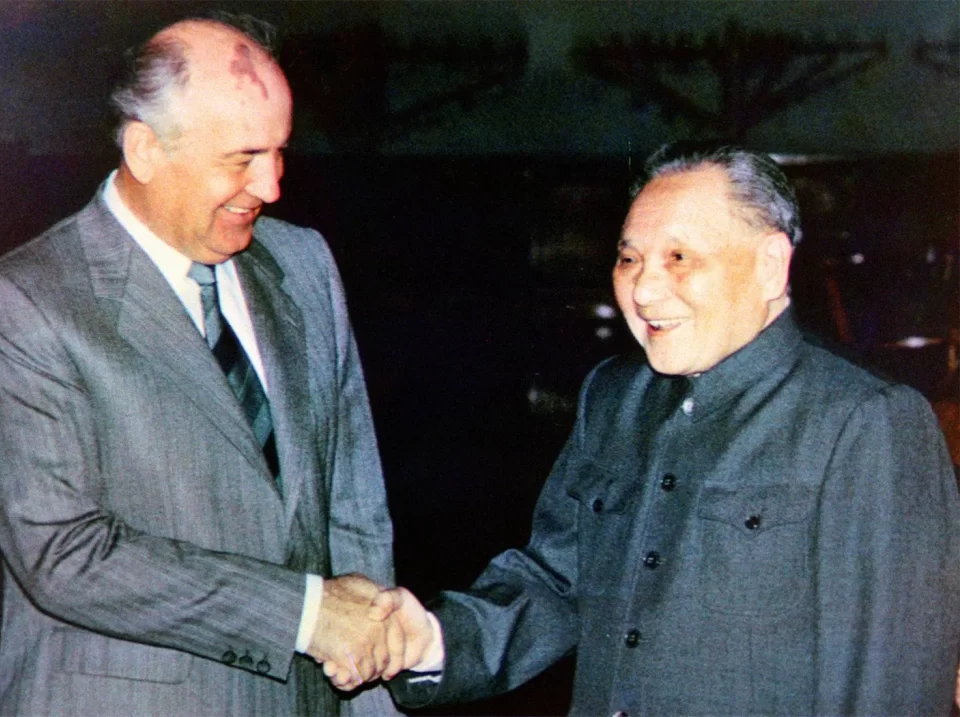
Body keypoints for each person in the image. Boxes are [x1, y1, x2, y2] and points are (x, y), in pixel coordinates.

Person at [367, 144, 960, 716]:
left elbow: (889, 685)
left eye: (679, 258)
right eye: (630, 260)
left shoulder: (865, 421)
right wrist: (429, 642)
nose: (644, 291)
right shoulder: (613, 396)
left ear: (769, 265)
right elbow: (558, 584)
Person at [0, 15, 402, 716]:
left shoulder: (304, 264)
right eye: (243, 158)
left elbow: (354, 514)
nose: (272, 185)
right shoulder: (23, 303)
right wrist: (304, 615)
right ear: (145, 150)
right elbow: (64, 555)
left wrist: (370, 693)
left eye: (280, 152)